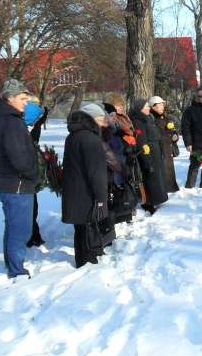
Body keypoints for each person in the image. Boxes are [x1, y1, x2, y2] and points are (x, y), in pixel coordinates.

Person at [0, 78, 39, 279]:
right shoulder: (11, 121)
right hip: (15, 183)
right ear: (9, 98)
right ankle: (17, 270)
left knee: (12, 225)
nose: (26, 102)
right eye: (22, 98)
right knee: (20, 230)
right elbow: (19, 157)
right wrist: (32, 173)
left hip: (4, 179)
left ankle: (12, 264)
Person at [62, 103, 113, 268]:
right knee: (88, 226)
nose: (102, 122)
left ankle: (83, 259)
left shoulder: (73, 136)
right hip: (87, 192)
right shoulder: (91, 139)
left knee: (81, 228)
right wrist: (100, 197)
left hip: (75, 190)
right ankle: (88, 261)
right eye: (99, 118)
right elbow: (96, 172)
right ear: (91, 119)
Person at [103, 95, 140, 224]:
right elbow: (109, 148)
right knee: (117, 189)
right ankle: (120, 214)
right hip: (114, 163)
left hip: (123, 158)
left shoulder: (117, 126)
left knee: (124, 187)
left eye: (115, 113)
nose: (114, 116)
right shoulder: (107, 129)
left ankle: (126, 212)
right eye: (111, 114)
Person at [130, 99, 168, 213]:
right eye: (146, 107)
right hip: (149, 154)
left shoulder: (148, 118)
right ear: (140, 109)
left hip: (155, 152)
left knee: (157, 178)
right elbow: (141, 141)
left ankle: (157, 199)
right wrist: (147, 160)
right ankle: (148, 202)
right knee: (150, 179)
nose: (148, 108)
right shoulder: (138, 121)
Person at [24, 100, 48, 248]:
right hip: (23, 180)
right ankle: (30, 237)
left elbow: (35, 136)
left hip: (29, 179)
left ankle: (34, 235)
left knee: (33, 208)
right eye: (36, 118)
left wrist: (40, 122)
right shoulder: (19, 133)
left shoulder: (26, 131)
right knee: (29, 210)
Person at [151, 96, 180, 193]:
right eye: (159, 104)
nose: (162, 106)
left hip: (168, 148)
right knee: (162, 169)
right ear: (153, 106)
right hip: (159, 148)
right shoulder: (152, 119)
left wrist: (175, 135)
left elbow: (173, 130)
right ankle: (164, 188)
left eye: (162, 104)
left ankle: (171, 187)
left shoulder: (166, 117)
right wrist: (168, 135)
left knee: (169, 168)